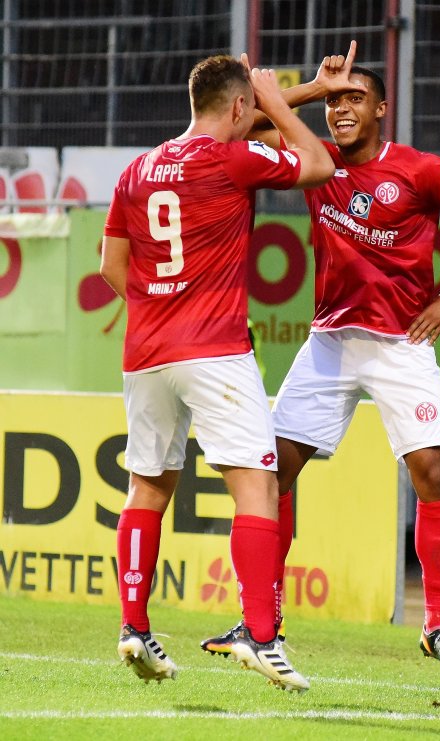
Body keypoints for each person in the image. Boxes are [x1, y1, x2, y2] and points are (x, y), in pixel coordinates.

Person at [201, 42, 440, 679]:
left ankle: (439, 626)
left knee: (431, 472)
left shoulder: (421, 170)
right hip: (331, 341)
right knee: (274, 473)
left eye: (354, 100)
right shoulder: (316, 163)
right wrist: (310, 90)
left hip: (402, 344)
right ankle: (263, 622)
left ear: (381, 111)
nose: (342, 110)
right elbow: (244, 123)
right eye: (336, 102)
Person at [100, 53, 336, 692]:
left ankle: (133, 627)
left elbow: (110, 265)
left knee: (147, 486)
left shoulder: (137, 169)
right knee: (256, 486)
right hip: (214, 347)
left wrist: (159, 306)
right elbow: (318, 164)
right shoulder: (232, 160)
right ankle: (262, 636)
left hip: (147, 350)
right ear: (239, 107)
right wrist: (284, 102)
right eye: (250, 105)